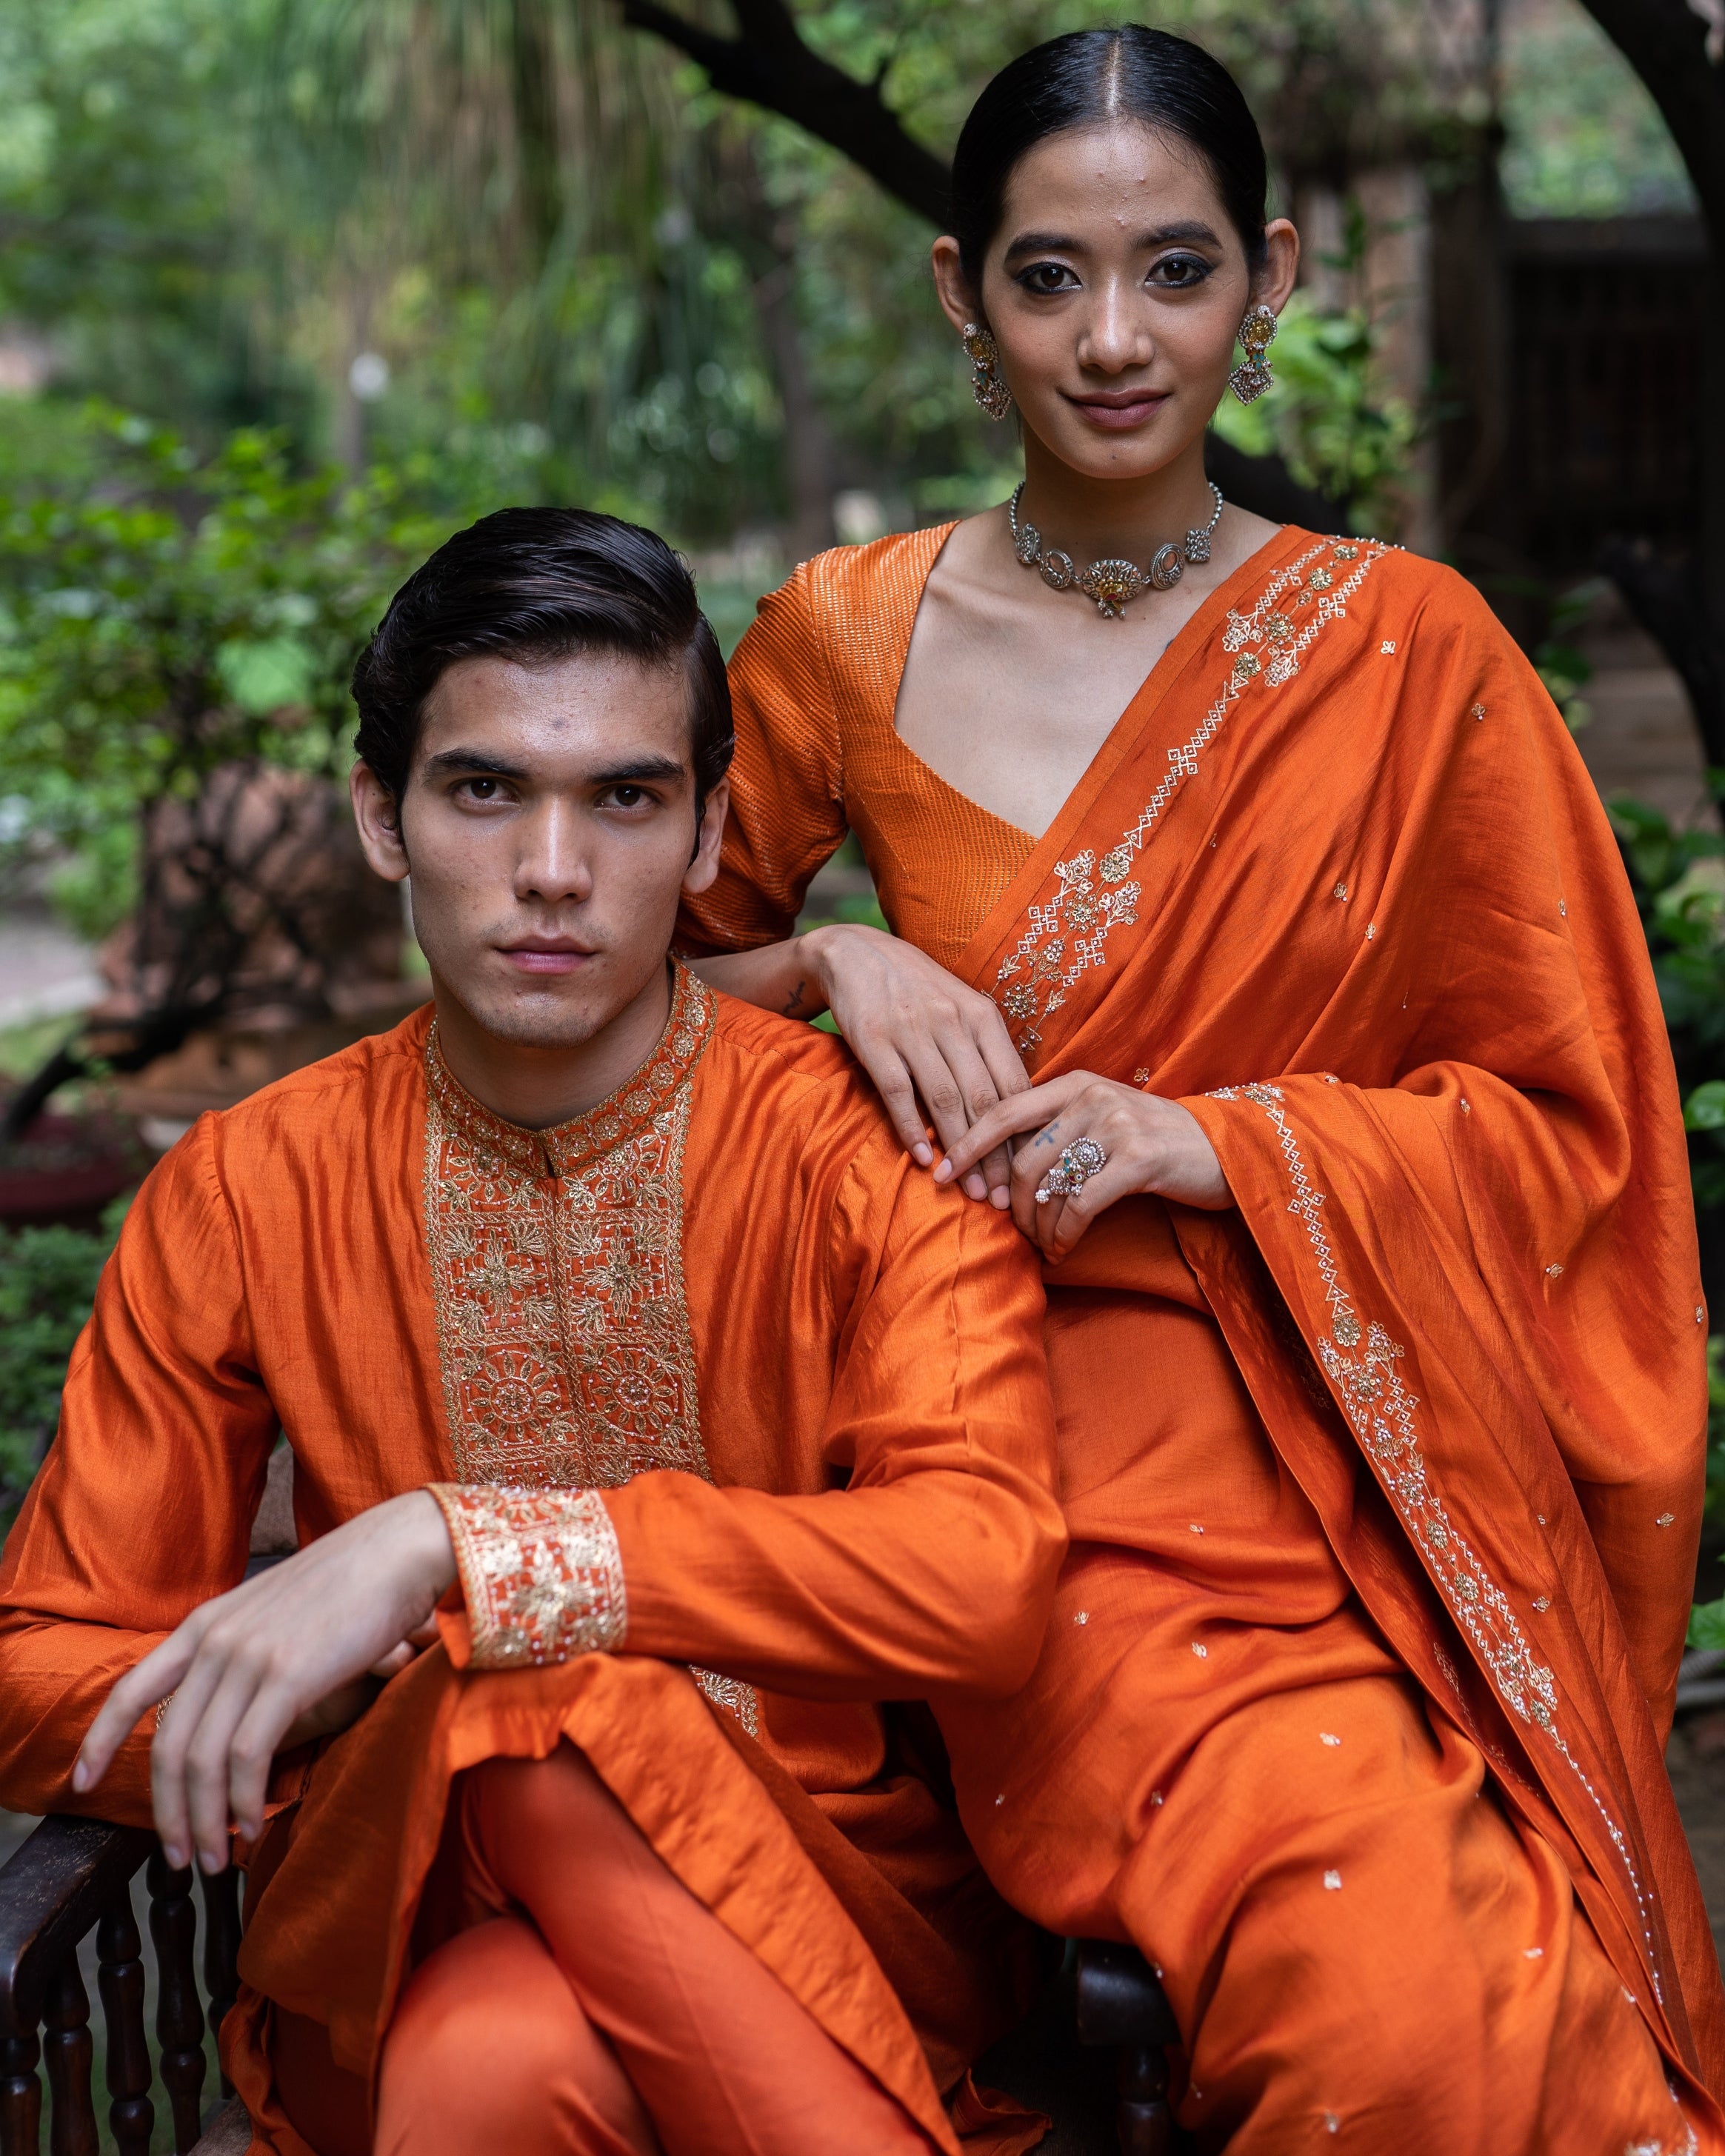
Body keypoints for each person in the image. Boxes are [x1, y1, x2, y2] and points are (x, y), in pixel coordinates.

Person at [678, 24, 1725, 2150]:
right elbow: (608, 1010)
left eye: (1174, 269)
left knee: (1493, 1980)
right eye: (1050, 277)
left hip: (1365, 1439)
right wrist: (826, 954)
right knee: (1392, 2000)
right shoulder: (839, 645)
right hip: (1013, 1463)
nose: (1115, 337)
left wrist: (1224, 1140)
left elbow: (1572, 1135)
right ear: (961, 295)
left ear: (1271, 274)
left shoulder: (1409, 654)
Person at [0, 509, 1069, 2156]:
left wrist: (461, 1554)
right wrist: (354, 1691)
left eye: (625, 798)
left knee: (491, 2051)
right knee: (513, 1708)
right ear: (383, 812)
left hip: (826, 1919)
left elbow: (981, 1573)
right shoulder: (246, 1186)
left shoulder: (863, 1149)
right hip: (395, 1894)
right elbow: (36, 1669)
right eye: (485, 788)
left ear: (712, 828)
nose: (552, 870)